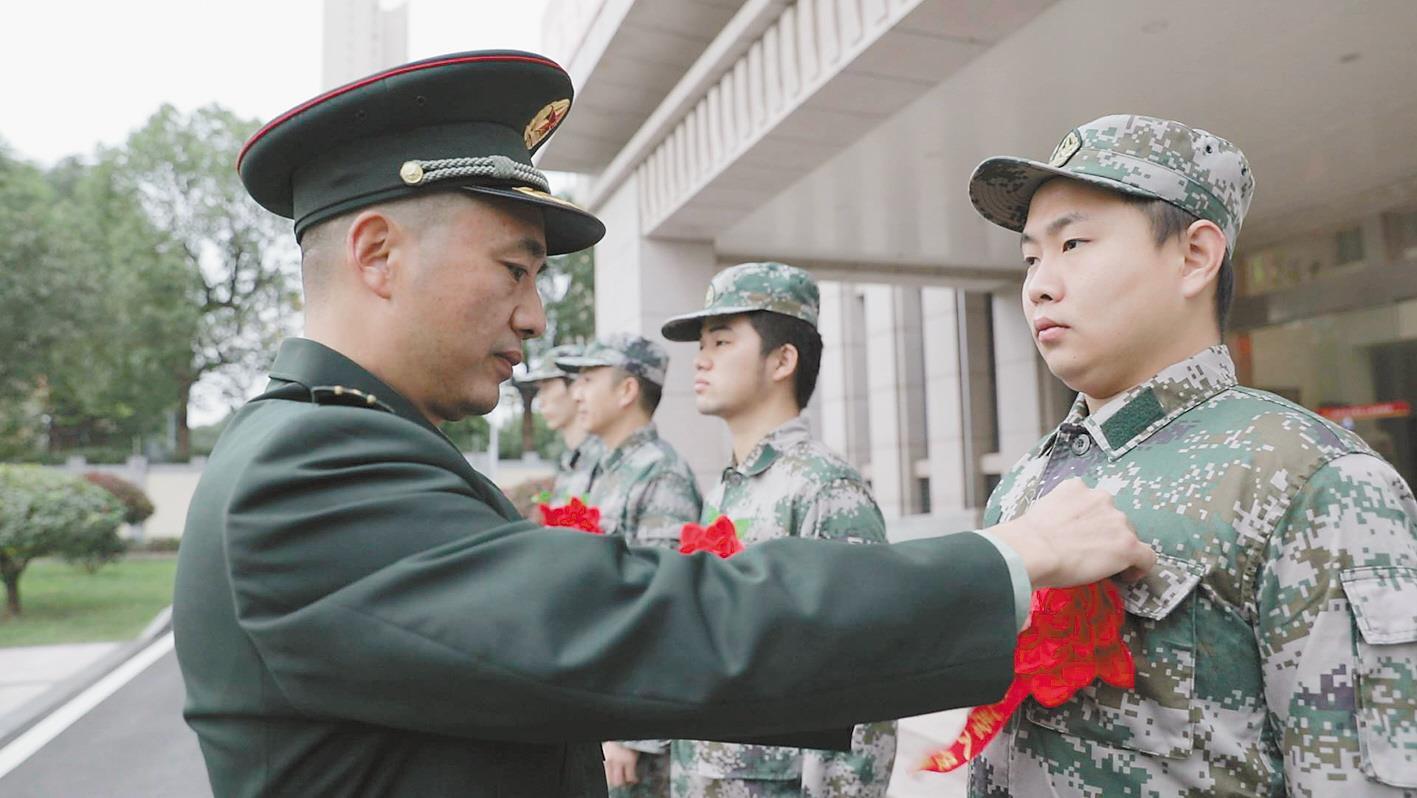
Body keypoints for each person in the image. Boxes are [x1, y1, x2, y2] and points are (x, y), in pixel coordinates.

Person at [171, 50, 1156, 798]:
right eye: (514, 269)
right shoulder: (306, 469)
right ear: (378, 253)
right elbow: (655, 621)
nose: (531, 316)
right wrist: (1002, 560)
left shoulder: (332, 448)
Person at [965, 114, 1417, 795]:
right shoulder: (1029, 480)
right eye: (1031, 258)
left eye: (1074, 244)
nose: (1038, 285)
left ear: (1195, 257)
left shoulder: (1310, 477)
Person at [661, 261, 897, 797]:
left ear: (782, 360)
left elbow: (866, 681)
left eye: (721, 343)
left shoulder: (824, 487)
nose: (700, 359)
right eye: (702, 345)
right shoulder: (724, 491)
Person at [558, 333, 703, 796]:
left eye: (588, 379)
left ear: (626, 391)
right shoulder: (597, 467)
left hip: (629, 733)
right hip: (590, 700)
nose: (575, 392)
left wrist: (631, 734)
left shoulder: (660, 474)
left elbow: (661, 605)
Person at [519, 343, 602, 502]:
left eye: (547, 388)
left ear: (577, 385)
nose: (540, 401)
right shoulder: (570, 460)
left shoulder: (605, 460)